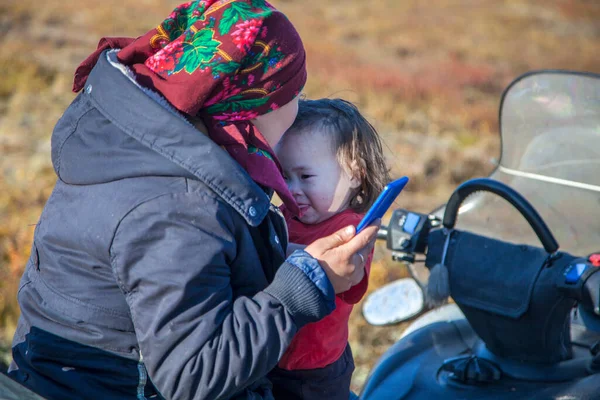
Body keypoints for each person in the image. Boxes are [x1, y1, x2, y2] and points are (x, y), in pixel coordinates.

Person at [6, 2, 379, 399]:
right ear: (251, 100)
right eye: (291, 91)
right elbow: (193, 376)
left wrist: (279, 255)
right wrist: (304, 285)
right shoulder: (178, 206)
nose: (297, 106)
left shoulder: (140, 141)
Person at [269, 98, 391, 400]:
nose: (292, 188)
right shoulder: (287, 213)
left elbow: (337, 269)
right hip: (272, 355)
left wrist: (270, 247)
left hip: (313, 373)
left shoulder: (351, 229)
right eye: (284, 175)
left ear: (354, 173)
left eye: (305, 176)